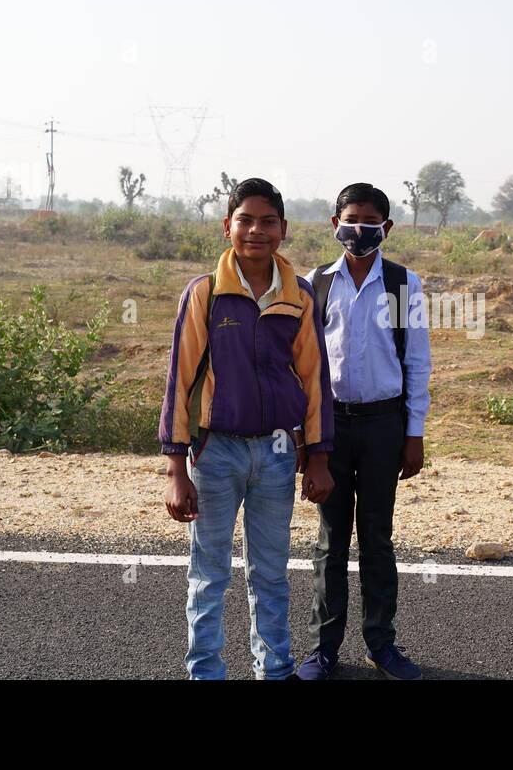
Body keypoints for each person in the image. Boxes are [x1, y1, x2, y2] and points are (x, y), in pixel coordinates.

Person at [158, 177, 334, 680]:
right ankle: (206, 672)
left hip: (278, 453)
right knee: (209, 574)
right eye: (246, 220)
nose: (256, 230)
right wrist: (176, 468)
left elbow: (314, 379)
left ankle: (274, 671)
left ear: (283, 230)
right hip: (215, 453)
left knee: (271, 575)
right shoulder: (206, 293)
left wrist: (317, 455)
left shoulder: (299, 295)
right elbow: (180, 378)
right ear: (227, 227)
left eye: (267, 221)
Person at [296, 182, 432, 680]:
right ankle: (323, 648)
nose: (359, 231)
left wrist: (413, 433)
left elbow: (417, 361)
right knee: (330, 540)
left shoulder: (403, 285)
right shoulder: (316, 283)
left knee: (376, 536)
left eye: (370, 223)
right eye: (350, 221)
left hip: (382, 426)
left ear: (387, 229)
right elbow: (306, 367)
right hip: (331, 428)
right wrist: (305, 437)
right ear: (335, 225)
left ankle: (382, 643)